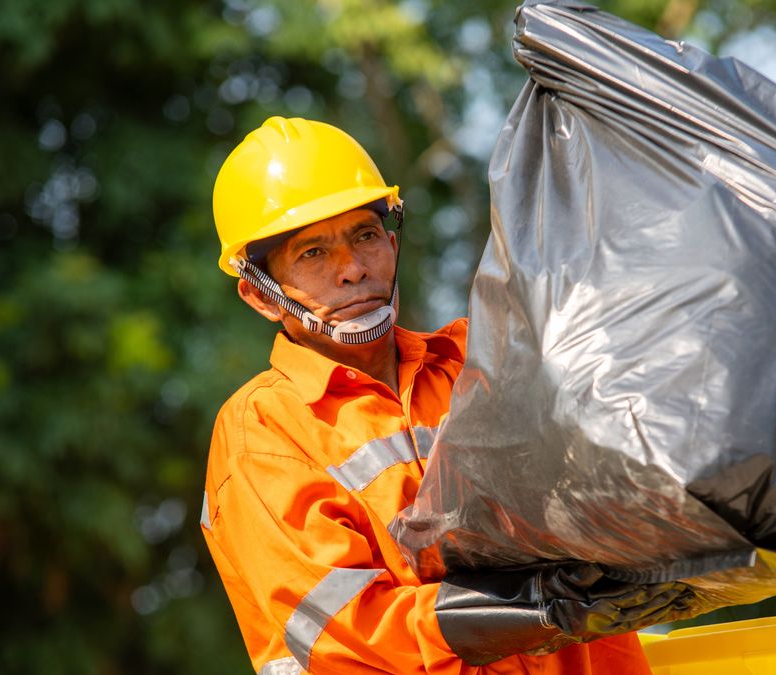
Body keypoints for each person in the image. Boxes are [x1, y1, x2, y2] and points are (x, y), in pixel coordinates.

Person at [199, 116, 690, 674]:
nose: (353, 270)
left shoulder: (479, 360)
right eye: (313, 254)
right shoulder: (264, 432)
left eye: (364, 236)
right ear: (259, 295)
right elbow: (350, 630)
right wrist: (530, 606)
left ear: (391, 240)